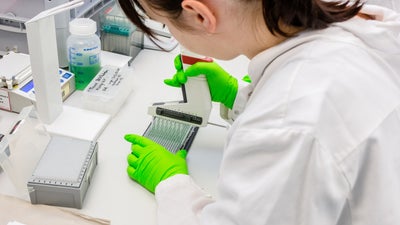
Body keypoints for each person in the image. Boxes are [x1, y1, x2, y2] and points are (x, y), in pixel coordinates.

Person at [119, 0, 400, 224]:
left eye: (165, 24)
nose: (169, 30)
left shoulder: (285, 125)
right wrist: (239, 97)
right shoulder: (349, 21)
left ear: (200, 15)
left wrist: (173, 187)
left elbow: (294, 123)